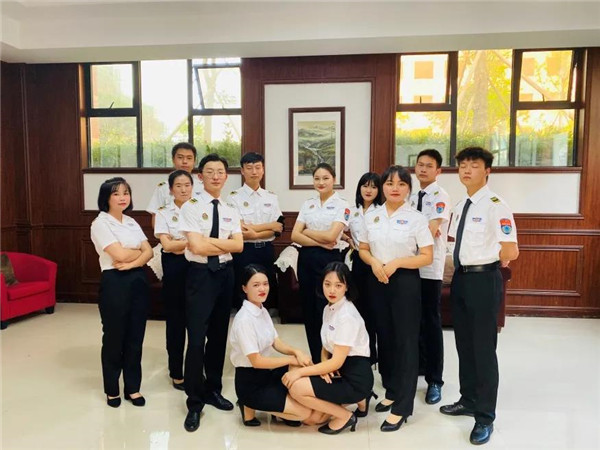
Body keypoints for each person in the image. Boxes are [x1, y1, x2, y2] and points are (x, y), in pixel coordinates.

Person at [440, 147, 519, 446]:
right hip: (461, 278)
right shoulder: (461, 205)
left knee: (483, 349)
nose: (466, 170)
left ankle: (485, 417)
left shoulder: (496, 205)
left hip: (484, 279)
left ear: (487, 171)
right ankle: (468, 399)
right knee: (465, 344)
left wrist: (492, 261)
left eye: (473, 165)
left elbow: (511, 250)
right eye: (462, 165)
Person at [358, 165, 434, 432]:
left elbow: (427, 256)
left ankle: (402, 406)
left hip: (404, 282)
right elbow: (363, 248)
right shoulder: (373, 216)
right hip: (377, 279)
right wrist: (374, 263)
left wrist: (398, 263)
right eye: (389, 183)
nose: (394, 188)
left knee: (405, 341)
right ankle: (391, 390)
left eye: (401, 184)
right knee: (385, 337)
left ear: (408, 189)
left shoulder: (416, 218)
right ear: (383, 187)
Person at [178, 153, 244, 432]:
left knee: (218, 337)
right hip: (200, 275)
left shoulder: (230, 209)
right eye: (209, 171)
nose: (215, 176)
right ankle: (194, 402)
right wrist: (221, 243)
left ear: (226, 177)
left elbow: (239, 246)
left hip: (225, 275)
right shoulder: (191, 207)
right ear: (200, 176)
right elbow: (196, 247)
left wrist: (210, 242)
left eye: (220, 172)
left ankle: (213, 389)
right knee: (196, 340)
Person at [283, 262, 374, 435]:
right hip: (338, 371)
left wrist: (303, 373)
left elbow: (337, 361)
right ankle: (362, 400)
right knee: (312, 418)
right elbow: (326, 347)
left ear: (347, 287)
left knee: (296, 387)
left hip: (354, 379)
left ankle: (346, 416)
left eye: (338, 285)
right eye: (327, 284)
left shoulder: (347, 316)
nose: (332, 290)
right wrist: (325, 365)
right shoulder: (329, 308)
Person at [90, 177, 153, 408]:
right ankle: (112, 390)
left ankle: (133, 388)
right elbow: (119, 255)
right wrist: (137, 253)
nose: (122, 197)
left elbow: (150, 252)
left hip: (137, 279)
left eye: (126, 193)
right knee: (114, 338)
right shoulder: (100, 223)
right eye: (116, 193)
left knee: (135, 337)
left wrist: (133, 261)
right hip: (114, 281)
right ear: (106, 198)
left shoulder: (131, 221)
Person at [229, 264, 313, 427]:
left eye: (265, 284)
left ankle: (278, 406)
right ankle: (248, 404)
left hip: (266, 374)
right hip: (250, 382)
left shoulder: (262, 310)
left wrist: (296, 352)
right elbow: (256, 361)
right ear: (244, 288)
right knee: (304, 413)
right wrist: (290, 359)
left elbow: (276, 341)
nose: (262, 289)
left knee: (300, 368)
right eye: (256, 285)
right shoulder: (244, 320)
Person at [291, 163, 350, 363]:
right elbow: (294, 235)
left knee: (328, 310)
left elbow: (332, 236)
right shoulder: (308, 204)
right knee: (310, 311)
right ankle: (317, 360)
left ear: (334, 179)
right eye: (317, 178)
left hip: (329, 261)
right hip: (307, 260)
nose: (321, 182)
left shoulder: (342, 204)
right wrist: (320, 241)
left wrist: (307, 231)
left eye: (325, 178)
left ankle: (332, 360)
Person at [409, 149, 451, 405]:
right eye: (420, 165)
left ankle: (435, 380)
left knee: (431, 323)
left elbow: (431, 229)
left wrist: (408, 233)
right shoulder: (411, 196)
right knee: (413, 321)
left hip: (430, 268)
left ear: (438, 171)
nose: (423, 169)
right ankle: (418, 367)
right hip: (409, 267)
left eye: (429, 166)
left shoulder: (440, 196)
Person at [227, 152, 283, 310]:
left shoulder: (271, 197)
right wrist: (269, 225)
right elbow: (239, 229)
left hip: (266, 250)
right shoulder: (233, 197)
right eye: (249, 168)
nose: (254, 172)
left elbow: (278, 228)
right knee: (244, 287)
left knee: (264, 287)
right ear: (242, 171)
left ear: (263, 170)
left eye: (258, 167)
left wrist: (256, 233)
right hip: (244, 251)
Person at [154, 170, 193, 391]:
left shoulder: (200, 210)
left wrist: (180, 243)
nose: (183, 189)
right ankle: (176, 372)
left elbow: (206, 240)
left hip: (197, 269)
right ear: (170, 189)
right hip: (174, 270)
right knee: (176, 323)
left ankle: (195, 369)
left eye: (187, 185)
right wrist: (191, 243)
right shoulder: (163, 213)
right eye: (178, 185)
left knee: (196, 323)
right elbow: (167, 246)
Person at [347, 172, 382, 365]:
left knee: (375, 309)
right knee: (359, 308)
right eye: (365, 185)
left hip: (377, 262)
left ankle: (376, 355)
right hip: (359, 263)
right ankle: (364, 355)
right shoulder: (352, 211)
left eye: (374, 187)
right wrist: (346, 238)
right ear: (359, 188)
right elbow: (340, 229)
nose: (369, 190)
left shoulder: (382, 211)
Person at [146, 142, 203, 224]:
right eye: (180, 157)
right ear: (173, 160)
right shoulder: (163, 188)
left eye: (189, 158)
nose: (184, 161)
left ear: (194, 161)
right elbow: (156, 220)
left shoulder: (202, 187)